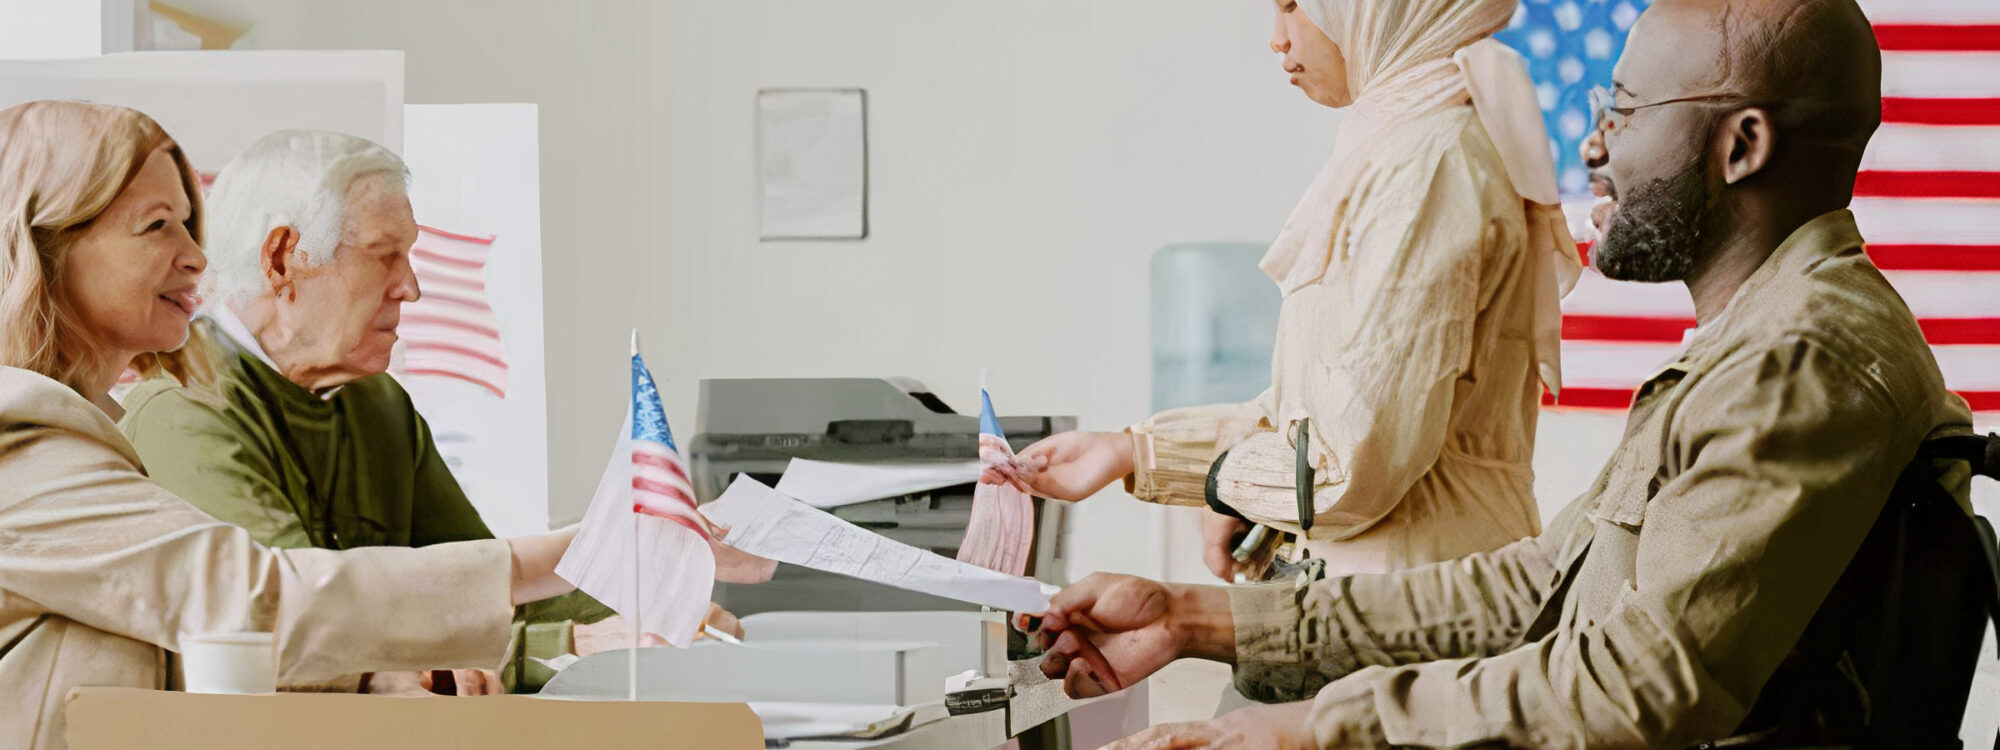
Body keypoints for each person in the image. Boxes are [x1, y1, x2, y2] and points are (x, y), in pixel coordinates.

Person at [1026, 0, 1973, 747]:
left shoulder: (1798, 362)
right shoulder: (1753, 346)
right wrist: (1192, 616)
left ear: (1742, 147)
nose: (1593, 145)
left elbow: (1643, 683)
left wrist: (1316, 729)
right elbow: (1537, 587)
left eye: (1624, 113)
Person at [0, 100, 585, 750]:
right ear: (45, 244)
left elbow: (179, 645)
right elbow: (258, 603)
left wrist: (366, 681)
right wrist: (579, 554)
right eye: (157, 225)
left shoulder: (79, 432)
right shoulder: (20, 434)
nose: (197, 256)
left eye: (189, 224)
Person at [114, 129, 736, 695]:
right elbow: (301, 624)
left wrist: (660, 610)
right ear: (283, 260)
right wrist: (566, 647)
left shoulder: (378, 402)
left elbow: (480, 586)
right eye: (385, 255)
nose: (411, 287)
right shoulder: (181, 408)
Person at [991, 0, 1581, 581]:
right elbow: (1317, 414)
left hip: (1421, 615)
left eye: (1293, 5)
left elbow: (1356, 464)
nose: (1277, 38)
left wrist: (1222, 485)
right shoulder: (1401, 140)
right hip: (1391, 597)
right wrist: (1129, 452)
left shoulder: (1430, 162)